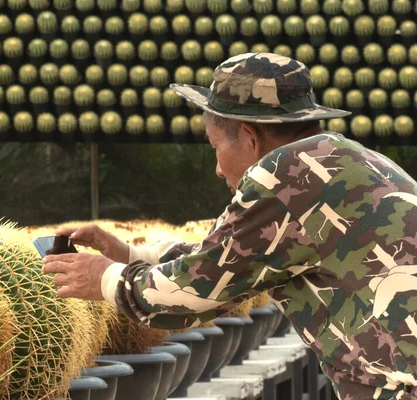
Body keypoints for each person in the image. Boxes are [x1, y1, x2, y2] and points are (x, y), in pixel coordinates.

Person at [42, 53, 417, 400]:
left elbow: (190, 294)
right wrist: (129, 255)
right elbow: (230, 256)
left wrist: (105, 279)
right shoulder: (349, 159)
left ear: (251, 139)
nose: (218, 169)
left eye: (215, 145)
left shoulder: (285, 176)